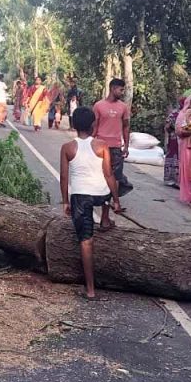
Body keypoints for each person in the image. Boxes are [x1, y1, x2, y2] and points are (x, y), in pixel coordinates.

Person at [59, 106, 120, 299]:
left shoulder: (67, 148)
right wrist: (116, 201)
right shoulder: (102, 146)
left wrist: (65, 202)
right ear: (93, 125)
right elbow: (108, 174)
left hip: (81, 196)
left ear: (73, 125)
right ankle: (105, 218)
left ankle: (91, 290)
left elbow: (64, 177)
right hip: (101, 195)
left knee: (86, 241)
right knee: (112, 182)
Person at [93, 79, 133, 197]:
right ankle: (101, 196)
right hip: (100, 146)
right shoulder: (98, 106)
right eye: (121, 90)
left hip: (116, 146)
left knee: (116, 175)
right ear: (113, 88)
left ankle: (114, 200)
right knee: (100, 173)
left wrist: (126, 146)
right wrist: (88, 143)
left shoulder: (123, 107)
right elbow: (94, 126)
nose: (122, 93)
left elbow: (126, 127)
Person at [163, 98, 185, 188]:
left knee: (174, 156)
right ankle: (177, 180)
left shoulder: (175, 113)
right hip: (178, 139)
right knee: (176, 156)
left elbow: (167, 127)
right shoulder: (182, 114)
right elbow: (167, 126)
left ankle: (171, 179)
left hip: (175, 138)